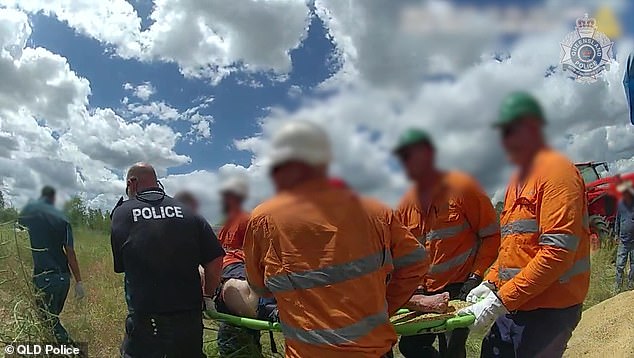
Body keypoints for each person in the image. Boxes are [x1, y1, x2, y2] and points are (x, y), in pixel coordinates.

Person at [244, 120, 429, 357]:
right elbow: (416, 262)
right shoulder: (376, 210)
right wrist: (383, 310)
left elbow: (260, 288)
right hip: (374, 350)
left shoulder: (263, 219)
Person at [461, 92, 590, 358]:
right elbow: (511, 250)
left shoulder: (557, 173)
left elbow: (557, 254)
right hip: (515, 305)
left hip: (549, 310)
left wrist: (499, 302)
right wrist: (490, 282)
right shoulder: (516, 183)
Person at [393, 129, 501, 358]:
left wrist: (476, 277)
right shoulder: (405, 205)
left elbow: (491, 236)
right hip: (423, 291)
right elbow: (403, 254)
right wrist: (414, 291)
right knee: (410, 347)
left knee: (452, 349)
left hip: (459, 285)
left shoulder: (463, 189)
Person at [110, 163, 225, 358]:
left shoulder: (122, 213)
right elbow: (216, 259)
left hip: (145, 317)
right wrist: (207, 295)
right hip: (188, 319)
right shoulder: (189, 212)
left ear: (132, 183)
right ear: (157, 182)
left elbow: (121, 266)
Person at [18, 186, 84, 343]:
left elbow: (19, 225)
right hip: (63, 279)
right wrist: (79, 281)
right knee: (50, 319)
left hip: (44, 277)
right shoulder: (63, 220)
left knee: (49, 321)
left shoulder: (31, 213)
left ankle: (73, 351)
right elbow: (70, 252)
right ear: (54, 200)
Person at [614, 180, 634, 292]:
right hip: (623, 240)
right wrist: (616, 234)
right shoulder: (620, 204)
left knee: (633, 263)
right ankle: (618, 286)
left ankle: (631, 283)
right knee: (620, 264)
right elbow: (617, 219)